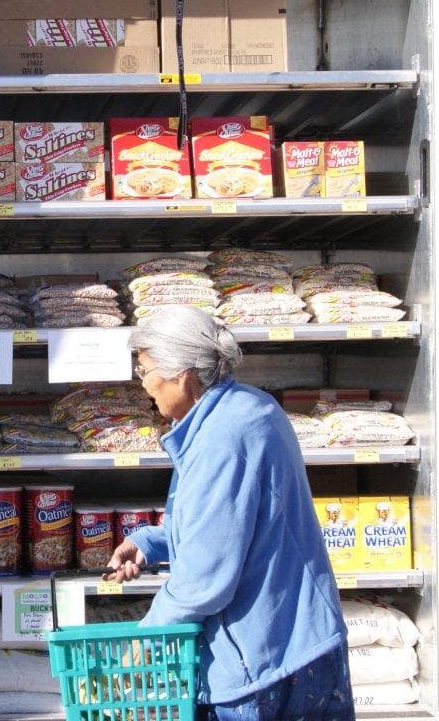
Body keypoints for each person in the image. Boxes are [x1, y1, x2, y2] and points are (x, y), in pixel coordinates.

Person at [107, 305, 353, 720]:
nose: (144, 385)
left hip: (265, 662)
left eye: (145, 371)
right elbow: (237, 521)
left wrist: (143, 641)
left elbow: (206, 579)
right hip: (304, 643)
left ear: (182, 376)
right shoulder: (250, 408)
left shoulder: (222, 439)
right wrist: (150, 542)